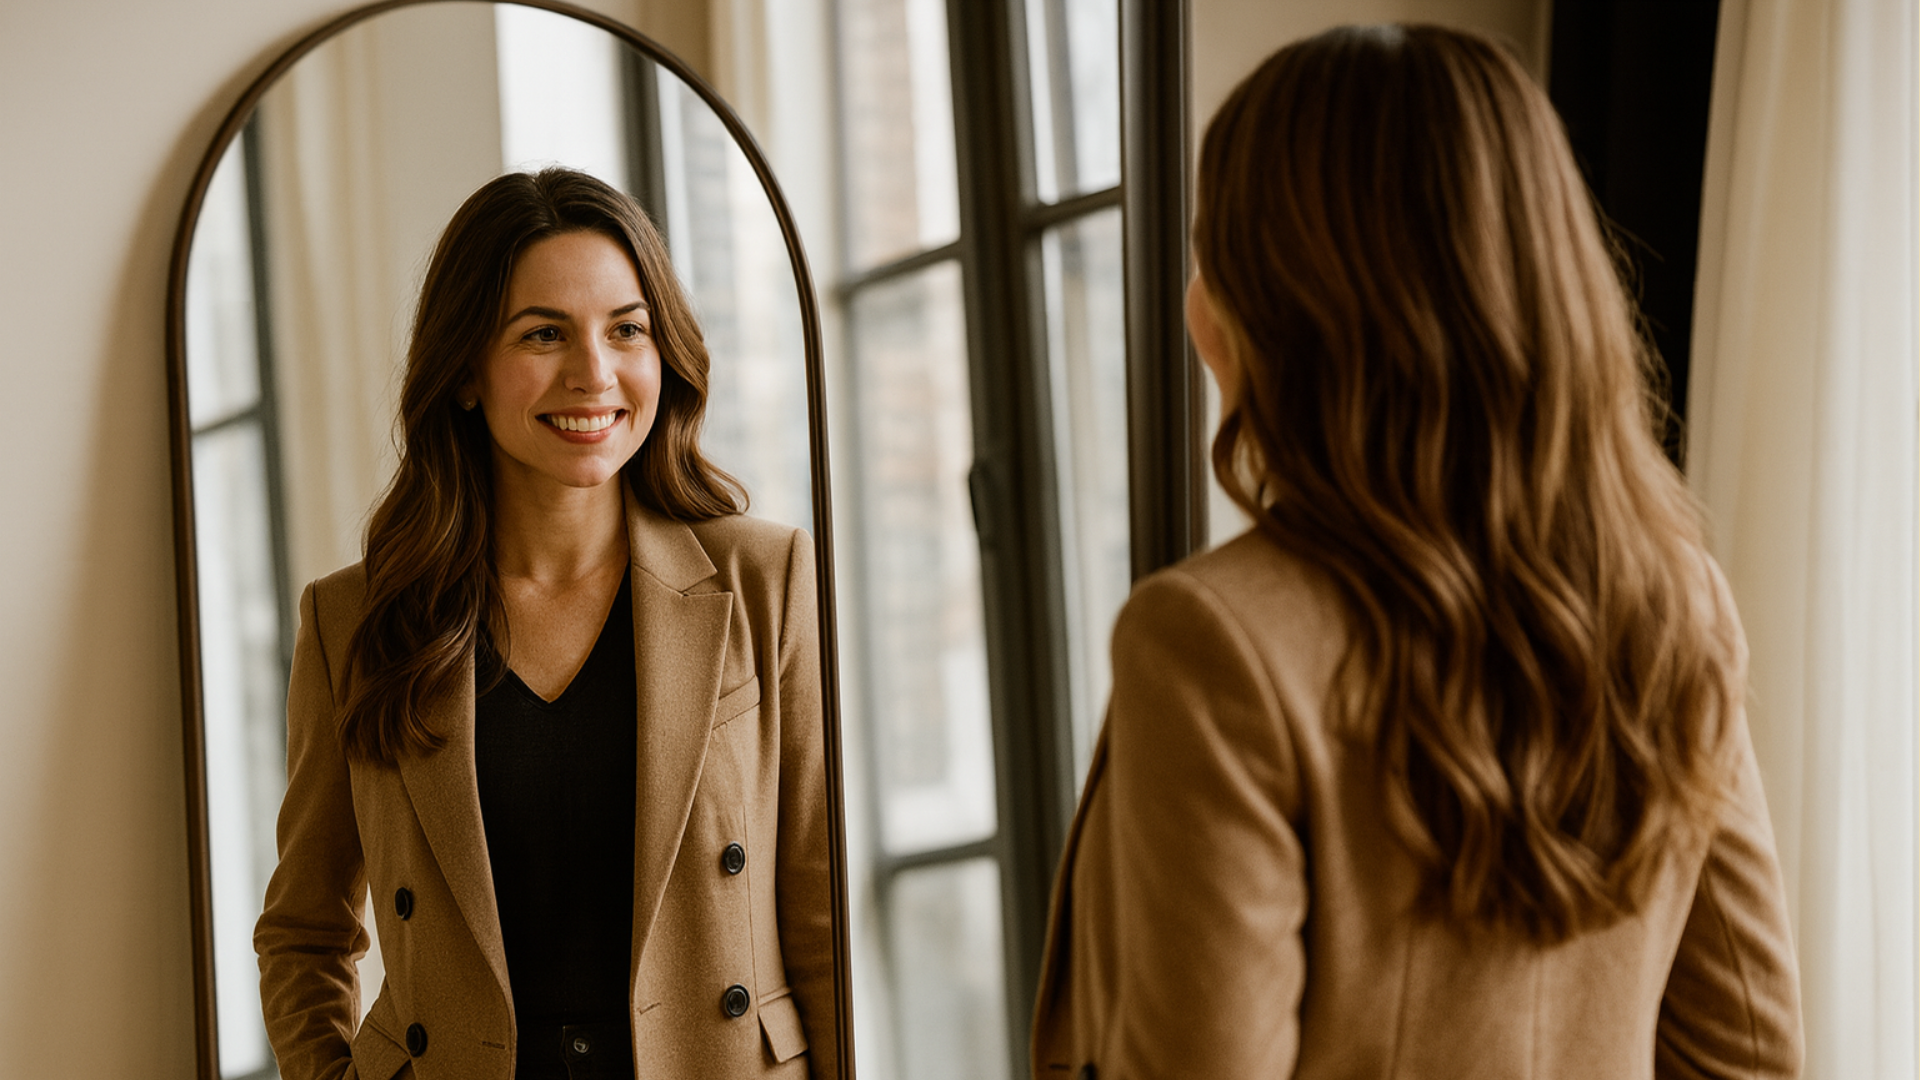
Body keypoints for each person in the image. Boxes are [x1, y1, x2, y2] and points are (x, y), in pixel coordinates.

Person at [1030, 25, 1802, 1080]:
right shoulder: (1677, 606)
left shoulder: (1213, 643)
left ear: (1255, 311)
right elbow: (1748, 1053)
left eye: (1215, 253)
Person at [255, 168, 835, 1080]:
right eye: (543, 334)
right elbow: (304, 930)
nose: (594, 374)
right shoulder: (355, 622)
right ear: (464, 374)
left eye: (627, 330)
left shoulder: (763, 580)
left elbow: (818, 914)